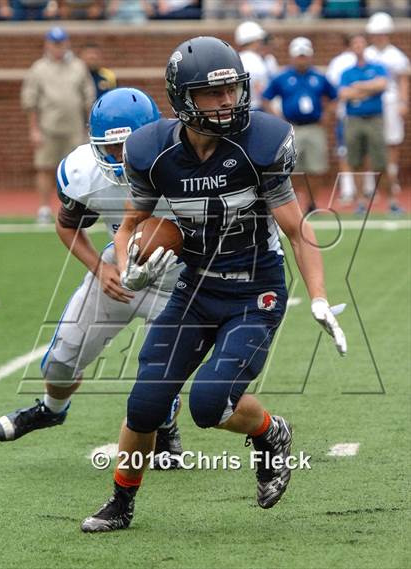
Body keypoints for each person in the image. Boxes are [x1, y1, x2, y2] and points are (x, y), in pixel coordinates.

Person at [80, 36, 347, 533]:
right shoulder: (153, 151)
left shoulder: (260, 142)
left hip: (254, 292)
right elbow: (131, 223)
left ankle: (271, 434)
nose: (228, 102)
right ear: (183, 97)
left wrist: (318, 297)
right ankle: (120, 500)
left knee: (209, 403)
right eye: (213, 93)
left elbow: (297, 228)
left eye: (232, 90)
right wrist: (128, 262)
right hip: (195, 288)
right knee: (146, 402)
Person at [0, 88, 184, 469]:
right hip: (120, 269)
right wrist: (100, 267)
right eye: (108, 148)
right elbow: (67, 226)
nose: (116, 158)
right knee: (60, 362)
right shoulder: (84, 172)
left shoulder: (186, 163)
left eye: (125, 147)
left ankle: (166, 428)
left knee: (157, 377)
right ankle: (51, 409)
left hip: (179, 276)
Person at [20, 27, 95, 225]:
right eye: (54, 43)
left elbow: (88, 98)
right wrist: (34, 129)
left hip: (74, 129)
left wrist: (89, 127)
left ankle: (79, 210)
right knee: (45, 168)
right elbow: (30, 101)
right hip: (48, 128)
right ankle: (44, 208)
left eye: (61, 43)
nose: (58, 47)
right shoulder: (38, 68)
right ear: (47, 44)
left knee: (79, 170)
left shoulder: (78, 66)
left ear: (67, 43)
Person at [263, 37, 337, 212]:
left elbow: (334, 97)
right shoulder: (282, 77)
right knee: (291, 169)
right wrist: (278, 119)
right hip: (292, 128)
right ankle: (294, 204)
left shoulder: (319, 77)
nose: (301, 59)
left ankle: (312, 203)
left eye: (304, 56)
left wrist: (327, 115)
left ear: (310, 56)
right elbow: (266, 98)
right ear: (292, 56)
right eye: (298, 56)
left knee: (316, 168)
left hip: (314, 127)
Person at [338, 33, 391, 215]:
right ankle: (360, 201)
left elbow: (382, 84)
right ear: (351, 48)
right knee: (356, 161)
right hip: (354, 120)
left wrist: (358, 86)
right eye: (355, 44)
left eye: (361, 44)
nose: (359, 47)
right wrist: (369, 89)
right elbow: (344, 94)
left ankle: (391, 200)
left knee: (381, 162)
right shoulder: (346, 72)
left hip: (374, 118)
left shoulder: (377, 67)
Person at [365, 12, 410, 202]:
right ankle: (370, 184)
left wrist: (404, 102)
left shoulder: (396, 55)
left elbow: (403, 81)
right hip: (370, 101)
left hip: (391, 101)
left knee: (392, 142)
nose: (378, 37)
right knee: (370, 141)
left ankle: (391, 179)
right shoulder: (367, 54)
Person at [326, 34, 357, 203]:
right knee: (351, 151)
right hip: (347, 113)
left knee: (348, 151)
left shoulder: (339, 62)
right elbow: (335, 91)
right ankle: (357, 189)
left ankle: (349, 190)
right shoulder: (340, 62)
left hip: (349, 113)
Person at [234, 21, 279, 112]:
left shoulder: (237, 58)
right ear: (255, 40)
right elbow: (262, 94)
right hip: (256, 109)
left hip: (241, 108)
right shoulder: (255, 61)